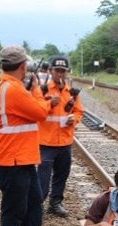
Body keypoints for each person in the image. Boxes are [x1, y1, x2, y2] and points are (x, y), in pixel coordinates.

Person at [0, 45, 53, 226]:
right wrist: (36, 89)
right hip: (11, 161)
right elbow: (41, 112)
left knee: (34, 205)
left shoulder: (8, 86)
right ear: (23, 66)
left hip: (21, 160)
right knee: (14, 210)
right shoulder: (12, 89)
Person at [37, 55, 84, 217]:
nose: (60, 74)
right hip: (46, 142)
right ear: (50, 71)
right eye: (57, 70)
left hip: (64, 142)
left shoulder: (71, 92)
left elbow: (79, 110)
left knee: (62, 174)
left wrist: (74, 119)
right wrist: (49, 104)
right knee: (42, 175)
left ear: (67, 72)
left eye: (63, 71)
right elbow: (34, 111)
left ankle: (55, 203)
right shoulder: (42, 91)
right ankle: (38, 204)